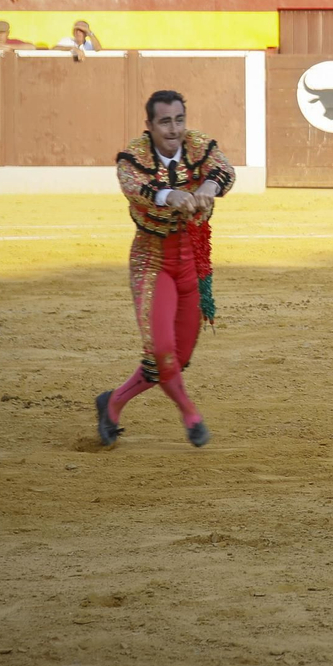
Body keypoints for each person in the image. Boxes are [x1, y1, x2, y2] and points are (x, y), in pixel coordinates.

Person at [97, 90, 235, 451]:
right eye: (164, 122)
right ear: (150, 125)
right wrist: (169, 196)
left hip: (191, 260)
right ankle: (190, 415)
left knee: (179, 356)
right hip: (152, 260)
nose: (173, 130)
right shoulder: (132, 156)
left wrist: (209, 184)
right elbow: (137, 187)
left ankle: (112, 403)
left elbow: (224, 170)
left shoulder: (198, 144)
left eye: (179, 120)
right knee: (161, 349)